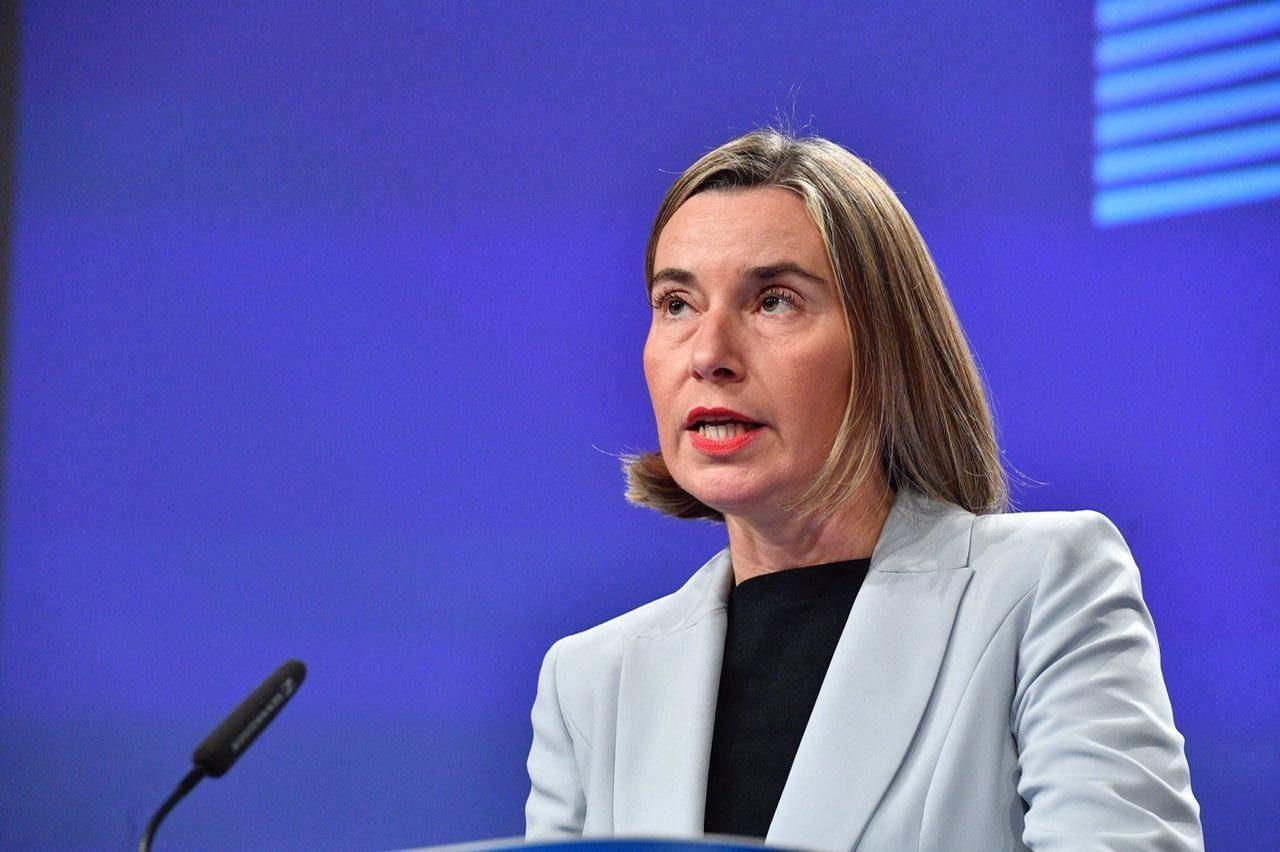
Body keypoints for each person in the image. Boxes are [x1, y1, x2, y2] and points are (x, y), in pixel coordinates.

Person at [523, 128, 1203, 851]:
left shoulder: (1042, 588)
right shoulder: (589, 681)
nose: (710, 354)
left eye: (774, 301)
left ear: (885, 349)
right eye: (677, 304)